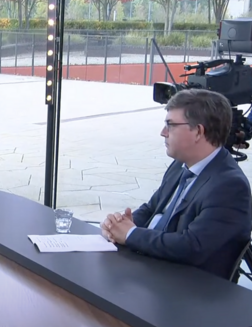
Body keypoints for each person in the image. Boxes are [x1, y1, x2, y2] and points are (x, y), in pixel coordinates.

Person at [101, 89, 252, 280]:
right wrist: (118, 226)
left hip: (187, 290)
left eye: (170, 125)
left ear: (198, 131)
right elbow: (151, 209)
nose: (163, 132)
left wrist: (131, 234)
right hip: (151, 267)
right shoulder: (180, 164)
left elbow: (191, 247)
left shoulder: (230, 186)